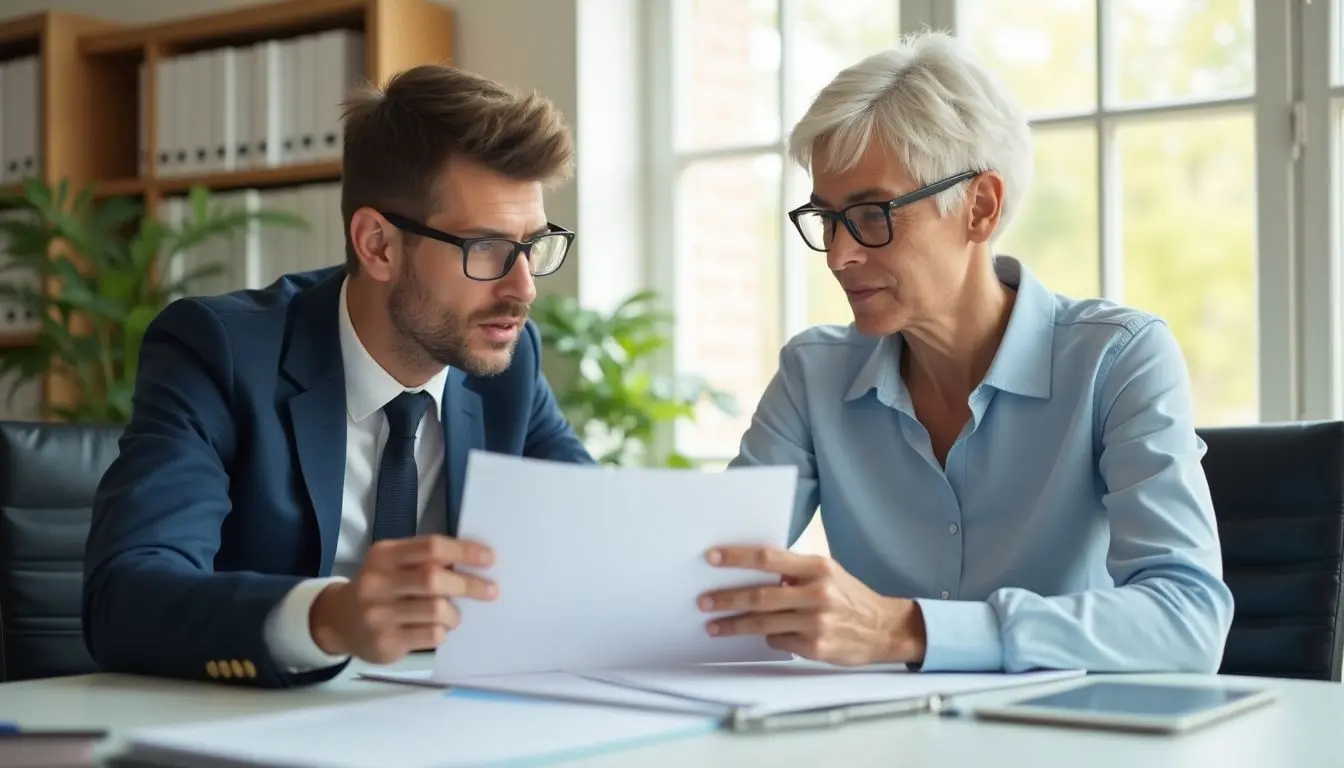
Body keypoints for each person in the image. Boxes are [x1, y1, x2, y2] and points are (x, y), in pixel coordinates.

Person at [698, 31, 1234, 674]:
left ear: (979, 207)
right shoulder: (812, 375)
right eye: (827, 219)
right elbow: (711, 576)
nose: (841, 255)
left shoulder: (1118, 361)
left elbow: (1188, 620)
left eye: (872, 214)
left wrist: (909, 629)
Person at [82, 64, 593, 688]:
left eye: (534, 245)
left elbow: (598, 538)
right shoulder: (220, 352)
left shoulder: (504, 364)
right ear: (377, 244)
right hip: (252, 725)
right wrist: (327, 617)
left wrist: (727, 592)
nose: (523, 289)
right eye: (484, 247)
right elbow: (125, 598)